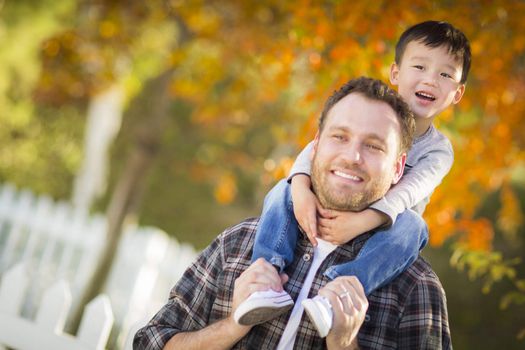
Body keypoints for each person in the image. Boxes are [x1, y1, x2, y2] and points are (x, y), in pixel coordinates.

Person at [133, 77, 452, 349]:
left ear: (398, 168)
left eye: (374, 146)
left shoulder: (416, 287)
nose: (352, 156)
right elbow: (152, 343)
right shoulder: (240, 242)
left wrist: (344, 345)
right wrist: (232, 325)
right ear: (315, 146)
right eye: (339, 137)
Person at [236, 20, 470, 337]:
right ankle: (266, 274)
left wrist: (362, 222)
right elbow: (313, 150)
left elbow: (408, 194)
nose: (431, 80)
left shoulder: (439, 151)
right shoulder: (368, 108)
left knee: (415, 227)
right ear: (396, 74)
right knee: (283, 189)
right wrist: (302, 188)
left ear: (457, 93)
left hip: (389, 228)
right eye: (420, 66)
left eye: (445, 74)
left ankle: (340, 290)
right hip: (339, 198)